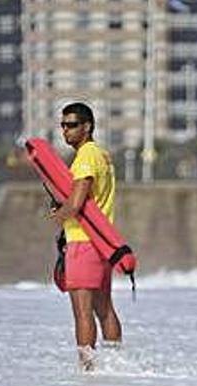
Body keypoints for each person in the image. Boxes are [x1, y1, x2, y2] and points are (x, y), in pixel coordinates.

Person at [48, 102, 123, 371]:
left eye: (71, 125)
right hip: (103, 243)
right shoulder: (102, 155)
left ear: (87, 127)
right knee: (104, 308)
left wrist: (59, 215)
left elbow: (77, 203)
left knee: (82, 312)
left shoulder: (85, 157)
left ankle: (87, 370)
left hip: (83, 242)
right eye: (63, 126)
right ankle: (116, 365)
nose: (65, 131)